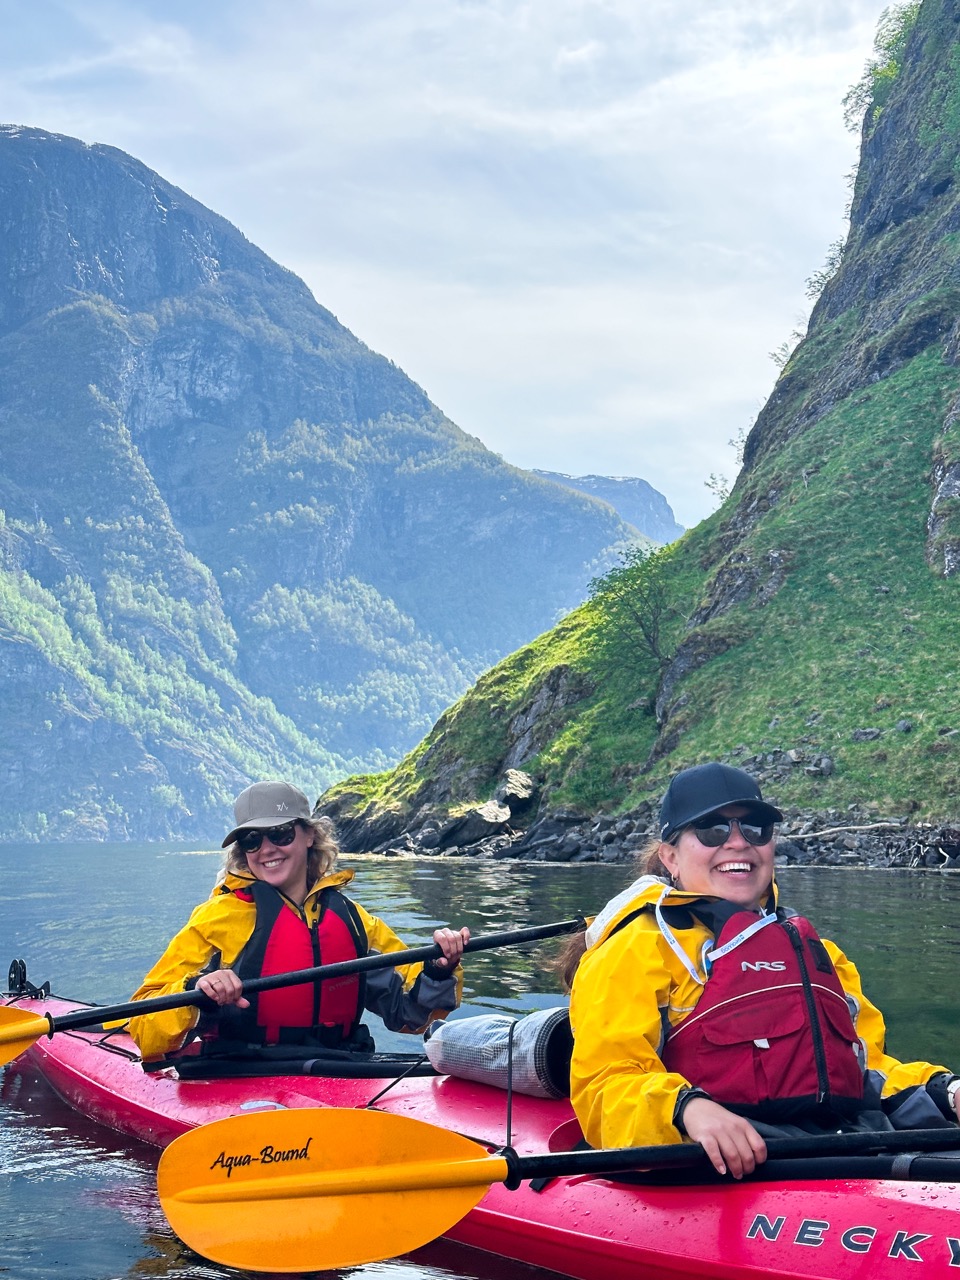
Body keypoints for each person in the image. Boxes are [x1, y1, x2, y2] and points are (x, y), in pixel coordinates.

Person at [568, 762, 960, 1179]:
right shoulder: (636, 948)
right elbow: (604, 1084)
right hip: (725, 1165)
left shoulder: (820, 953)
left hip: (847, 1141)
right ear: (670, 857)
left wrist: (945, 1091)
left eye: (755, 829)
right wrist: (688, 1110)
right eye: (712, 830)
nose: (738, 843)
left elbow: (869, 1068)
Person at [126, 781, 470, 1066]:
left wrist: (439, 970)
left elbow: (409, 1014)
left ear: (309, 835)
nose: (266, 849)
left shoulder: (353, 919)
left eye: (280, 833)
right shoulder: (216, 918)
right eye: (251, 840)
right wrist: (194, 989)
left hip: (339, 1067)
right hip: (241, 1071)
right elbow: (145, 1029)